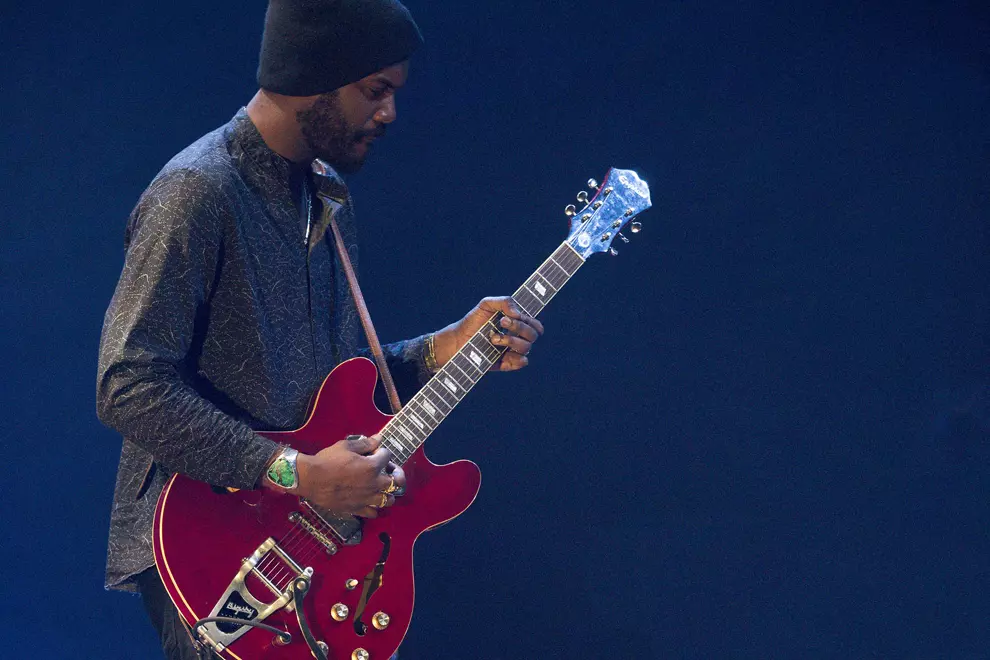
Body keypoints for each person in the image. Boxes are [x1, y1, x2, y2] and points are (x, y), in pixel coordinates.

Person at [96, 1, 544, 657]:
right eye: (375, 91)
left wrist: (441, 349)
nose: (388, 113)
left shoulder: (325, 194)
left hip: (308, 547)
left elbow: (328, 387)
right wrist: (297, 476)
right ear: (316, 75)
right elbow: (128, 384)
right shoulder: (197, 191)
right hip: (223, 547)